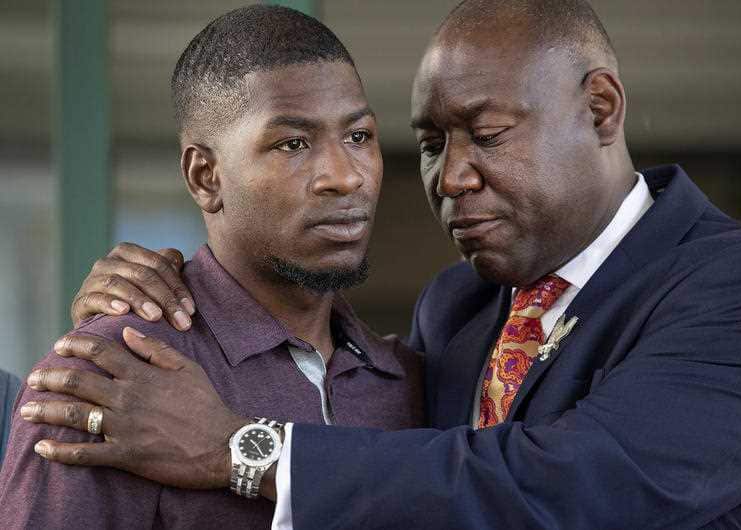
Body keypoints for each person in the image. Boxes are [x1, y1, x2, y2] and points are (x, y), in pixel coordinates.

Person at [16, 0, 741, 528]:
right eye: (430, 145)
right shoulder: (453, 312)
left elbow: (575, 482)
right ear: (204, 176)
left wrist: (240, 449)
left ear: (600, 109)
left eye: (486, 133)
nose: (450, 178)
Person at [0, 5, 424, 529]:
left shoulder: (406, 382)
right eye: (292, 143)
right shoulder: (106, 378)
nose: (344, 176)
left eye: (359, 137)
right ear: (206, 177)